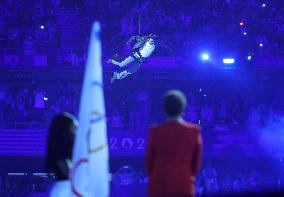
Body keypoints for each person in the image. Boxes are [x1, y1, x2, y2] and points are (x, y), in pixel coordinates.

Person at [145, 90, 203, 197]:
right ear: (183, 108)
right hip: (184, 186)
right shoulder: (194, 132)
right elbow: (195, 166)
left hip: (158, 186)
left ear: (164, 109)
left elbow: (148, 164)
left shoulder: (155, 132)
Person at [45, 112, 78, 197]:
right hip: (67, 190)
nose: (77, 129)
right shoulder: (60, 153)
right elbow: (69, 173)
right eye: (74, 126)